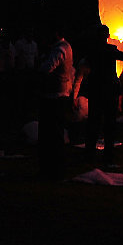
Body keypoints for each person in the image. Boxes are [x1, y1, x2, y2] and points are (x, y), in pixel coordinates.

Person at [82, 24, 123, 167]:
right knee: (109, 124)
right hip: (108, 90)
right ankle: (108, 155)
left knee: (93, 122)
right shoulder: (110, 50)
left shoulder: (91, 50)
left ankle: (89, 154)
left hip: (96, 89)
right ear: (107, 37)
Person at [37, 26, 73, 179]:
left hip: (56, 95)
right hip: (59, 93)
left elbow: (47, 68)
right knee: (55, 131)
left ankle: (55, 167)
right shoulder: (65, 47)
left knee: (53, 131)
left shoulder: (60, 49)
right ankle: (55, 166)